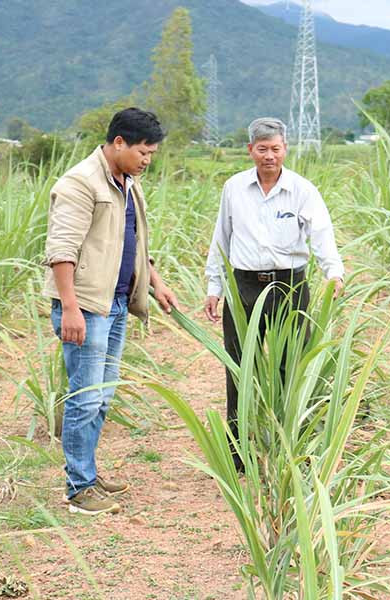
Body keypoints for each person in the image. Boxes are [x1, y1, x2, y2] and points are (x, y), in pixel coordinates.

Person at [43, 107, 178, 515]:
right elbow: (61, 250)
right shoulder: (80, 183)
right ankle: (78, 489)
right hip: (87, 306)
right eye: (143, 151)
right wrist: (70, 309)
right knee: (84, 398)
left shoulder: (128, 182)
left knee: (101, 397)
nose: (147, 160)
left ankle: (88, 473)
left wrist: (154, 282)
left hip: (116, 303)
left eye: (152, 153)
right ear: (118, 142)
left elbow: (132, 241)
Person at [204, 117, 344, 470]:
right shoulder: (234, 188)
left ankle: (292, 448)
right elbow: (221, 237)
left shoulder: (302, 190)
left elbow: (321, 233)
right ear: (250, 150)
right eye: (262, 149)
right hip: (245, 287)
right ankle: (239, 453)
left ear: (285, 149)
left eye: (276, 149)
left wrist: (333, 272)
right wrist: (214, 286)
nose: (269, 156)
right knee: (239, 368)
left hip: (289, 287)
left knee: (292, 367)